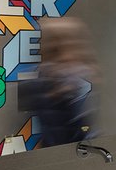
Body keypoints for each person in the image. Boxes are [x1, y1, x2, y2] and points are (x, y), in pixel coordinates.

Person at [23, 16, 100, 147]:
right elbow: (80, 129)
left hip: (58, 153)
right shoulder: (74, 80)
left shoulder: (42, 78)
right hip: (70, 154)